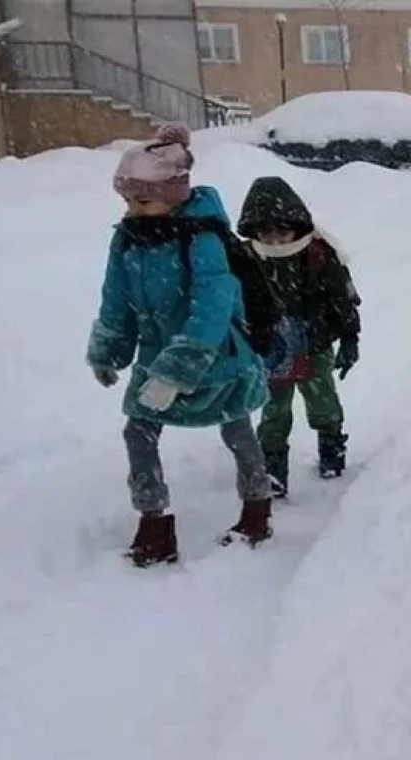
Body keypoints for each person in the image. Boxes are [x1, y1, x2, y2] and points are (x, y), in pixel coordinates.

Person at [87, 123, 274, 567]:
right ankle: (154, 524)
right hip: (157, 356)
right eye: (128, 200)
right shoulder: (128, 236)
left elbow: (213, 304)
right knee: (138, 430)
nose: (132, 209)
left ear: (173, 196)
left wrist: (180, 368)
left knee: (236, 427)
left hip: (216, 357)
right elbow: (116, 297)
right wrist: (109, 348)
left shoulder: (203, 238)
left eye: (143, 200)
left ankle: (256, 510)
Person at [235, 176, 362, 498]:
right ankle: (274, 468)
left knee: (322, 400)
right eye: (267, 233)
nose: (276, 241)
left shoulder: (319, 255)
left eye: (282, 232)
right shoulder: (245, 258)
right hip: (269, 347)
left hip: (315, 342)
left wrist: (350, 339)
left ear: (297, 226)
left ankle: (331, 447)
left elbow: (342, 299)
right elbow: (233, 302)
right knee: (274, 408)